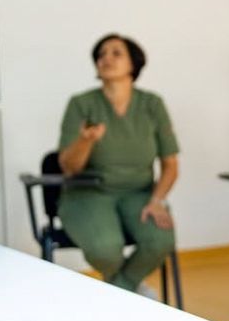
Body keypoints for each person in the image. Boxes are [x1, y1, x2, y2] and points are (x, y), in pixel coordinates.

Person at [58, 34, 179, 294]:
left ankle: (120, 289)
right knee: (105, 249)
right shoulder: (81, 104)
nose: (106, 58)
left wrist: (157, 200)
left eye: (116, 53)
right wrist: (85, 141)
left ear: (133, 63)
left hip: (139, 193)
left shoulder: (152, 104)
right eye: (101, 54)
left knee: (160, 240)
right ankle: (131, 290)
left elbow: (170, 164)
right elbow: (69, 168)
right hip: (88, 194)